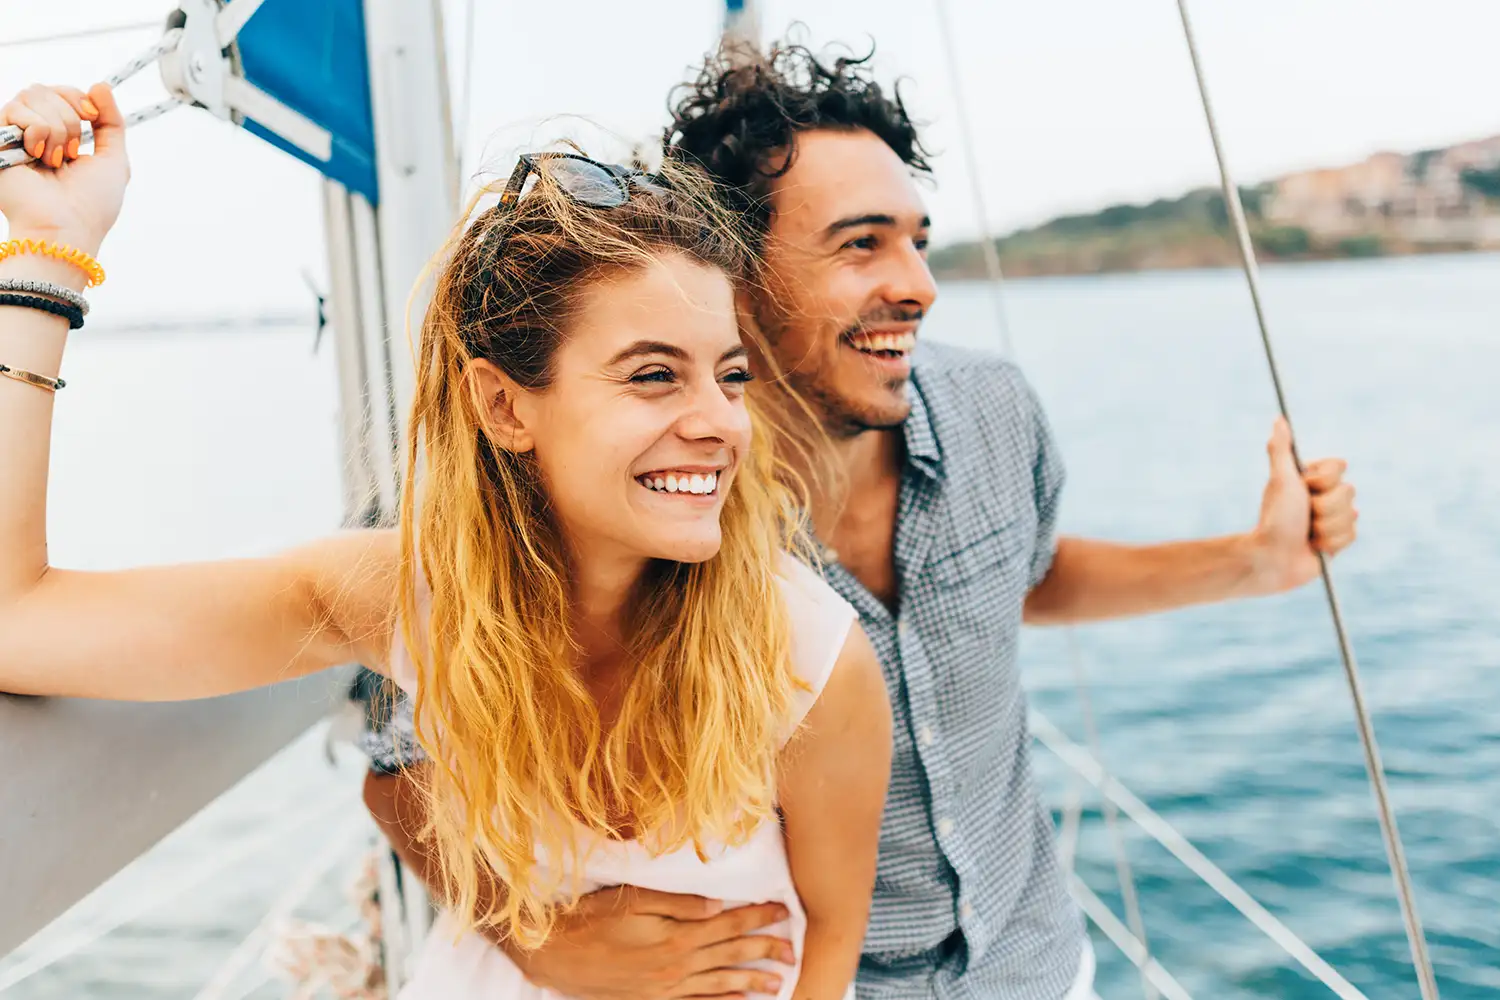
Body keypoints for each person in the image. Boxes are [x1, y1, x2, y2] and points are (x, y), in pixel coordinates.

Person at [363, 41, 1360, 1000]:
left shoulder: (992, 410)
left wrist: (1252, 561)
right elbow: (395, 764)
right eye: (861, 245)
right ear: (732, 279)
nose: (919, 286)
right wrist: (529, 936)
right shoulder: (619, 511)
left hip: (1036, 965)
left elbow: (1028, 574)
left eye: (918, 241)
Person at [0, 82, 894, 1000]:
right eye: (655, 375)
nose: (720, 423)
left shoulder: (806, 658)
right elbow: (16, 625)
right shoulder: (408, 596)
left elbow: (832, 943)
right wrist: (50, 257)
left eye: (730, 374)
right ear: (503, 405)